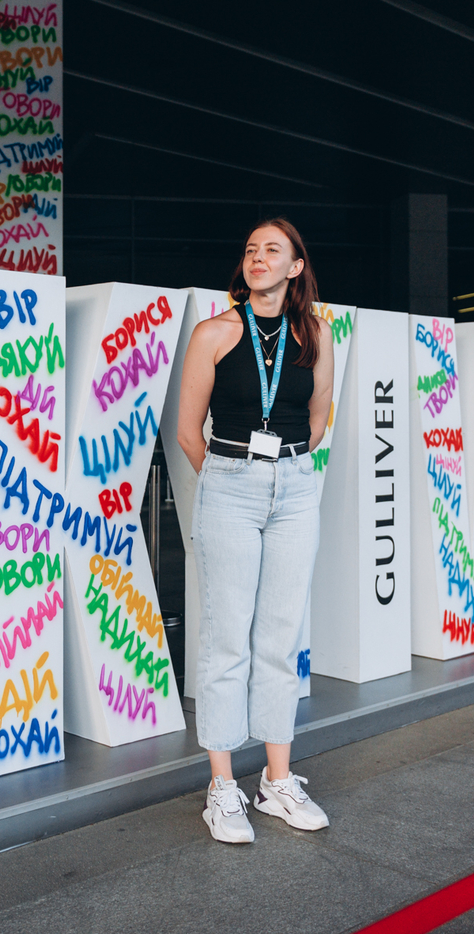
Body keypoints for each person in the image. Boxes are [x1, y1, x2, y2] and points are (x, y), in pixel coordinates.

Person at [176, 218, 336, 844]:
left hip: (296, 486)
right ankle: (222, 788)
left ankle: (276, 783)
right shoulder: (215, 332)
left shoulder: (315, 336)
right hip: (230, 486)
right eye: (250, 249)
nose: (258, 258)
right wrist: (231, 478)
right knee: (226, 641)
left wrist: (282, 470)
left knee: (280, 638)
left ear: (296, 266)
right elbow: (191, 431)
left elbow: (318, 419)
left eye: (273, 250)